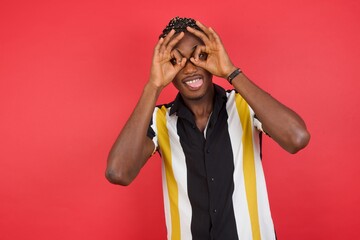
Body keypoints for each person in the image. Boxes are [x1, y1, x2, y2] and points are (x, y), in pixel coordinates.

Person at [105, 17, 310, 240]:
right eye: (179, 60)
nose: (191, 68)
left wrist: (231, 71)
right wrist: (153, 86)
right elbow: (119, 173)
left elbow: (297, 138)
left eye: (199, 56)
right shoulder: (159, 119)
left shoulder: (245, 105)